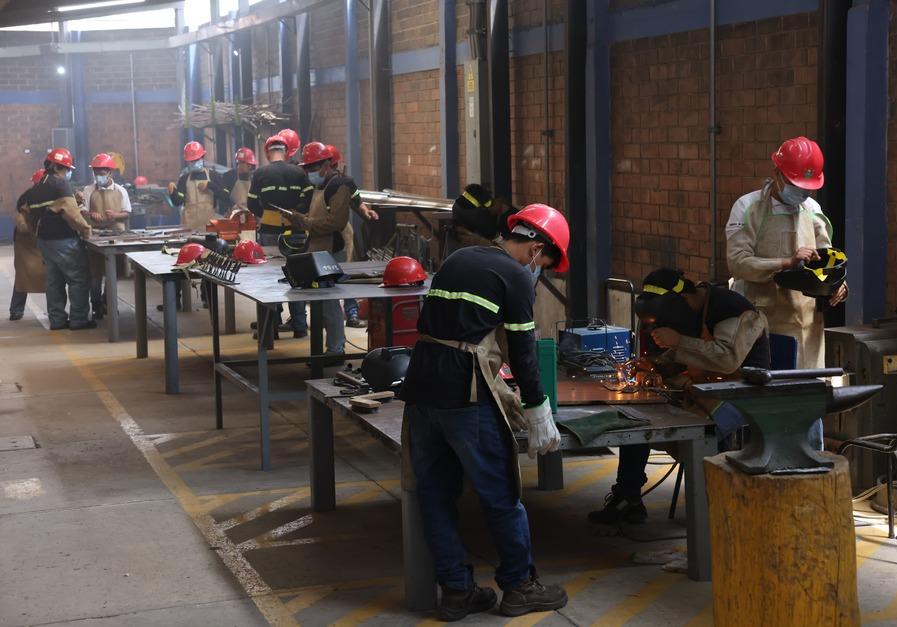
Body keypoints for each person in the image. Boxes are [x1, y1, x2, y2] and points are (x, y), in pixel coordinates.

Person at [397, 204, 570, 621]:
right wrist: (537, 407)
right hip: (463, 391)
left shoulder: (458, 259)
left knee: (436, 495)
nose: (541, 269)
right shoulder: (514, 276)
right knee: (501, 495)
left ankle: (456, 592)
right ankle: (520, 587)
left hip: (421, 385)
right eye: (544, 260)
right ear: (535, 246)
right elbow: (523, 354)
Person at [588, 268, 771, 532]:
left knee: (704, 429)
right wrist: (654, 365)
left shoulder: (732, 308)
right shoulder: (689, 314)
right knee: (638, 415)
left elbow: (727, 358)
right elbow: (682, 359)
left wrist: (679, 341)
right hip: (699, 390)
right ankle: (628, 497)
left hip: (740, 395)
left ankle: (714, 502)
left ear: (683, 299)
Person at [726, 136, 848, 369]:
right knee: (769, 390)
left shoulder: (812, 210)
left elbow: (827, 260)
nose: (802, 193)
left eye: (807, 188)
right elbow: (737, 262)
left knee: (808, 387)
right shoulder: (747, 208)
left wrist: (837, 285)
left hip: (807, 324)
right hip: (762, 322)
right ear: (777, 173)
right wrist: (785, 263)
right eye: (796, 185)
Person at [280, 141, 352, 353]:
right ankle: (325, 347)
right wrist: (298, 218)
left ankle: (336, 347)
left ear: (326, 165)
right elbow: (316, 217)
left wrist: (305, 222)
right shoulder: (320, 186)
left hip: (332, 249)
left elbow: (336, 222)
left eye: (312, 168)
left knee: (330, 303)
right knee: (319, 303)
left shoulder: (340, 187)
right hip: (318, 249)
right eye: (307, 168)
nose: (310, 172)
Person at [247, 135, 311, 338]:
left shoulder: (261, 173)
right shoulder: (299, 172)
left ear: (267, 152)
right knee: (298, 275)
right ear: (285, 152)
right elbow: (309, 198)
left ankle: (271, 326)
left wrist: (265, 214)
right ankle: (300, 327)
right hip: (296, 230)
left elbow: (252, 203)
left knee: (270, 278)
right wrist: (295, 212)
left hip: (270, 229)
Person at [24, 148, 95, 331]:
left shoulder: (37, 187)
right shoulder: (60, 184)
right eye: (65, 169)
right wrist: (86, 230)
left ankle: (57, 320)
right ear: (56, 167)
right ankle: (79, 319)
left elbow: (36, 215)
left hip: (45, 242)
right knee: (78, 279)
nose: (67, 173)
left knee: (54, 281)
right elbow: (71, 214)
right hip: (65, 241)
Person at [323, 144, 379, 329]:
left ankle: (352, 312)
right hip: (319, 233)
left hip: (340, 233)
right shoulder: (313, 184)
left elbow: (357, 200)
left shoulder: (344, 182)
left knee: (343, 272)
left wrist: (366, 211)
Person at [81, 153, 132, 319]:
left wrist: (116, 215)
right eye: (96, 172)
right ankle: (95, 305)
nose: (99, 175)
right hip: (95, 235)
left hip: (116, 235)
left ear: (110, 172)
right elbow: (82, 211)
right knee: (95, 275)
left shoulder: (121, 191)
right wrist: (91, 214)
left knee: (112, 274)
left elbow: (127, 213)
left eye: (102, 172)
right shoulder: (88, 190)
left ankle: (108, 303)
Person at [9, 169, 47, 321]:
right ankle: (16, 310)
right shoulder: (28, 198)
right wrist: (23, 224)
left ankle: (54, 310)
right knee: (23, 275)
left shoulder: (49, 196)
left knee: (50, 276)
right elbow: (21, 220)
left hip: (41, 241)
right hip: (26, 243)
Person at [168, 141, 230, 229]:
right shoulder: (184, 178)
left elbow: (226, 196)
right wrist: (173, 193)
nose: (194, 162)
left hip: (209, 228)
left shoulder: (213, 176)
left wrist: (210, 185)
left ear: (202, 157)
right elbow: (178, 201)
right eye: (192, 161)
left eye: (197, 160)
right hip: (189, 228)